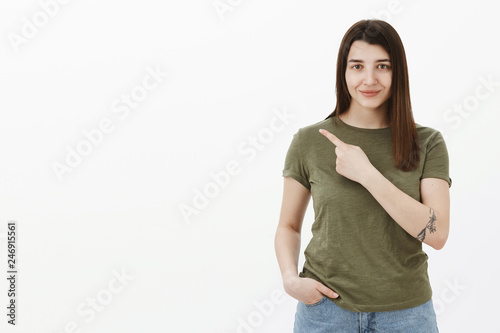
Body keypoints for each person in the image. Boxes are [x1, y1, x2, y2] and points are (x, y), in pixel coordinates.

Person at [274, 19, 451, 332]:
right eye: (357, 66)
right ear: (343, 72)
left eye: (382, 65)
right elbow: (288, 225)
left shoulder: (427, 142)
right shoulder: (309, 141)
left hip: (407, 315)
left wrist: (367, 173)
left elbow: (435, 233)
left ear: (398, 72)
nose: (369, 79)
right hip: (325, 312)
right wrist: (290, 279)